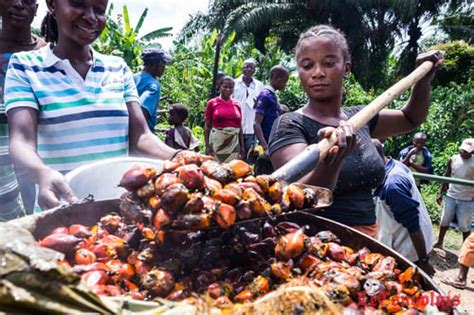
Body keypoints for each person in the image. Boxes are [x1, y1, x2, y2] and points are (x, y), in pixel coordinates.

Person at [5, 0, 185, 211]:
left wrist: (178, 157)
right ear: (52, 5)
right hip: (61, 209)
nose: (91, 16)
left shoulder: (117, 68)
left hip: (121, 209)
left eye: (99, 10)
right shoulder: (25, 67)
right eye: (78, 4)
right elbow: (22, 142)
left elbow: (141, 136)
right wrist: (41, 173)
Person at [269, 24, 443, 237]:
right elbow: (298, 197)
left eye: (328, 63)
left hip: (366, 240)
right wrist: (332, 162)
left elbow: (410, 118)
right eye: (307, 66)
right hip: (312, 244)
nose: (317, 73)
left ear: (346, 68)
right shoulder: (289, 124)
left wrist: (423, 80)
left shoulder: (361, 117)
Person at [0, 0, 47, 220]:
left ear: (36, 10)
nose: (19, 5)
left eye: (28, 1)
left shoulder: (45, 52)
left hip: (36, 151)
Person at [372, 139, 434, 275]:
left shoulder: (393, 186)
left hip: (409, 250)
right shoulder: (394, 164)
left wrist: (423, 261)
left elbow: (413, 226)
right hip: (401, 239)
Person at [435, 138, 473, 248]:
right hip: (451, 195)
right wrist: (440, 193)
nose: (463, 152)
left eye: (466, 151)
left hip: (467, 198)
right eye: (462, 150)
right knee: (445, 219)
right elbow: (447, 176)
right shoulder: (453, 159)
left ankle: (465, 248)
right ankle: (439, 242)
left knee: (464, 225)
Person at [254, 65, 289, 175]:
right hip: (267, 147)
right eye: (284, 81)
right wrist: (265, 147)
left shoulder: (272, 96)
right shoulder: (265, 95)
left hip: (273, 143)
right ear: (276, 78)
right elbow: (256, 123)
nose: (285, 84)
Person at [204, 76, 244, 163]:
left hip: (233, 143)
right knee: (216, 169)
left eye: (231, 87)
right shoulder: (212, 103)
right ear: (220, 86)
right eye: (225, 87)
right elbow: (207, 126)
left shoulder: (237, 104)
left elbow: (240, 126)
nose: (228, 89)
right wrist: (207, 145)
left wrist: (242, 146)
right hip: (217, 142)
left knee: (232, 169)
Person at [134, 48, 172, 132]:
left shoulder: (132, 78)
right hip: (141, 133)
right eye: (163, 64)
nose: (164, 68)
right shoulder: (153, 85)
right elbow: (141, 113)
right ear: (156, 64)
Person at [233, 59, 264, 160]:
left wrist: (258, 104)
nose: (249, 69)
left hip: (251, 126)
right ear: (242, 68)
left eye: (251, 67)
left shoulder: (259, 85)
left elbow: (263, 103)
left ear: (255, 70)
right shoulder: (234, 83)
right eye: (246, 66)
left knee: (250, 156)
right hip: (236, 126)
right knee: (235, 155)